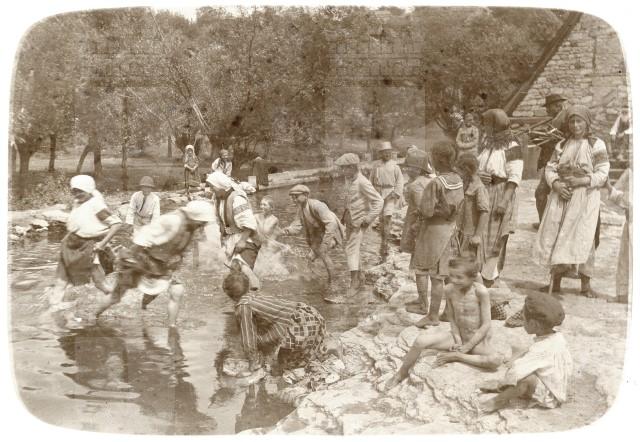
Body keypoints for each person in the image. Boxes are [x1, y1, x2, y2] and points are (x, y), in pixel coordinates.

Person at [385, 257, 503, 391]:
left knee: (495, 360)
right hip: (458, 336)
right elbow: (452, 318)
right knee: (420, 341)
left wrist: (468, 346)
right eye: (451, 276)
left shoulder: (480, 292)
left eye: (459, 277)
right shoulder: (449, 290)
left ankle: (458, 357)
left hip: (477, 340)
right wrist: (458, 340)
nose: (454, 280)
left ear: (472, 277)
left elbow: (486, 324)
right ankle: (401, 373)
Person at [533, 105, 609, 298]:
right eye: (572, 122)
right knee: (557, 234)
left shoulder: (596, 144)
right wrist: (556, 184)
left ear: (587, 123)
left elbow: (602, 173)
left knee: (585, 237)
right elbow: (550, 168)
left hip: (585, 198)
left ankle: (585, 284)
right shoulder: (562, 144)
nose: (575, 125)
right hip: (561, 196)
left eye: (579, 121)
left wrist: (582, 181)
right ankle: (555, 282)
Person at [99, 200, 215, 327]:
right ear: (194, 217)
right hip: (141, 257)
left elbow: (182, 247)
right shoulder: (173, 220)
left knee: (177, 291)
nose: (204, 225)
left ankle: (171, 327)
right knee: (116, 296)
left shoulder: (193, 227)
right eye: (202, 222)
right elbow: (145, 234)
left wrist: (176, 262)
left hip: (160, 264)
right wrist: (132, 258)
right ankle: (94, 315)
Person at [478, 293, 572, 413]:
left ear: (533, 324)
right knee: (522, 354)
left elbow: (517, 372)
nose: (522, 322)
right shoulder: (557, 338)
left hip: (550, 395)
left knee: (525, 379)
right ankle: (507, 387)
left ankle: (498, 400)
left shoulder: (540, 349)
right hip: (557, 384)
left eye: (523, 319)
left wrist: (502, 384)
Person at [222, 270, 328, 372]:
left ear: (229, 295)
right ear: (248, 286)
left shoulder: (244, 306)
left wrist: (252, 360)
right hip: (309, 314)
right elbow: (268, 325)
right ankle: (322, 353)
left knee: (285, 366)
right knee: (305, 355)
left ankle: (283, 371)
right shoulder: (255, 294)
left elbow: (248, 338)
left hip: (300, 324)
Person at [408, 142, 464, 324]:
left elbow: (427, 211)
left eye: (432, 156)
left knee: (435, 275)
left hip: (435, 232)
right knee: (447, 274)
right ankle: (447, 312)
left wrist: (419, 214)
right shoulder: (458, 179)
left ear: (439, 159)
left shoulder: (436, 183)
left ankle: (432, 315)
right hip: (451, 229)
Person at [49, 175, 122, 310]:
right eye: (74, 191)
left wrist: (103, 244)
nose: (77, 194)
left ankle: (115, 298)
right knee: (61, 279)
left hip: (86, 247)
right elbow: (77, 224)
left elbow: (116, 224)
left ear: (88, 189)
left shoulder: (96, 205)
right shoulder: (77, 202)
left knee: (99, 282)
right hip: (70, 245)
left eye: (80, 191)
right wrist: (65, 239)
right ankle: (54, 307)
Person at [477, 109, 523, 287]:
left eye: (487, 124)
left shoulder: (512, 145)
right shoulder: (487, 143)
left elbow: (515, 176)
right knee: (481, 233)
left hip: (501, 192)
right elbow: (479, 164)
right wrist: (479, 175)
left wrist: (504, 201)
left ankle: (490, 275)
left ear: (497, 125)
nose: (484, 127)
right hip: (484, 191)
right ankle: (480, 273)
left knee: (496, 235)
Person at [332, 153, 383, 302]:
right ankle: (360, 277)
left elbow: (379, 201)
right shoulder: (349, 179)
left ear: (353, 167)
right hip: (350, 219)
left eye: (344, 168)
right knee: (352, 248)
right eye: (342, 168)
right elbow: (350, 200)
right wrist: (343, 217)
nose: (342, 171)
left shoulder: (362, 182)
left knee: (351, 250)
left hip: (359, 221)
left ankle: (354, 283)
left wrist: (368, 218)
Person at [281, 184, 345, 292]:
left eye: (296, 196)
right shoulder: (301, 209)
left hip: (332, 233)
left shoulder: (318, 205)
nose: (294, 199)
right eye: (292, 197)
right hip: (320, 234)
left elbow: (332, 224)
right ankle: (313, 279)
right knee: (310, 258)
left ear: (306, 195)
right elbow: (297, 226)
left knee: (322, 253)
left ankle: (334, 283)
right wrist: (286, 231)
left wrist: (325, 244)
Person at [207, 171, 261, 290]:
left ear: (221, 186)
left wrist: (242, 241)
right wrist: (223, 239)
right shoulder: (218, 199)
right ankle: (242, 294)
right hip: (231, 239)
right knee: (235, 272)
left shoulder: (237, 199)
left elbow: (249, 223)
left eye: (212, 187)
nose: (211, 190)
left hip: (247, 238)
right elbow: (221, 222)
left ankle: (256, 290)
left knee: (241, 266)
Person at [534, 94, 567, 227]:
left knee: (541, 193)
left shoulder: (561, 118)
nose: (547, 110)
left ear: (557, 106)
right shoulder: (557, 118)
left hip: (557, 162)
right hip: (553, 162)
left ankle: (544, 225)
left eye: (549, 107)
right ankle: (547, 223)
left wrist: (537, 139)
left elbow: (554, 143)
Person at [368, 141, 404, 263]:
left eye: (388, 152)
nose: (387, 154)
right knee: (381, 219)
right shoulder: (376, 166)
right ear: (381, 154)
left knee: (387, 217)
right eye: (384, 152)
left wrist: (395, 194)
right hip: (378, 193)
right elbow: (370, 181)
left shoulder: (395, 166)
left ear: (391, 153)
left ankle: (385, 242)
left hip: (390, 193)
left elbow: (400, 182)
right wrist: (372, 194)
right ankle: (382, 239)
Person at [455, 153, 490, 272]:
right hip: (463, 230)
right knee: (461, 267)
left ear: (466, 170)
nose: (459, 174)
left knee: (471, 269)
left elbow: (484, 212)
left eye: (460, 171)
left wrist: (477, 235)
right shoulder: (467, 184)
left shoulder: (479, 188)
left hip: (471, 234)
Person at [606, 168, 631, 303]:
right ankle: (623, 294)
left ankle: (624, 294)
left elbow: (626, 201)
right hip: (631, 222)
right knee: (625, 258)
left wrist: (609, 187)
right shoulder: (631, 172)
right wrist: (609, 187)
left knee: (627, 258)